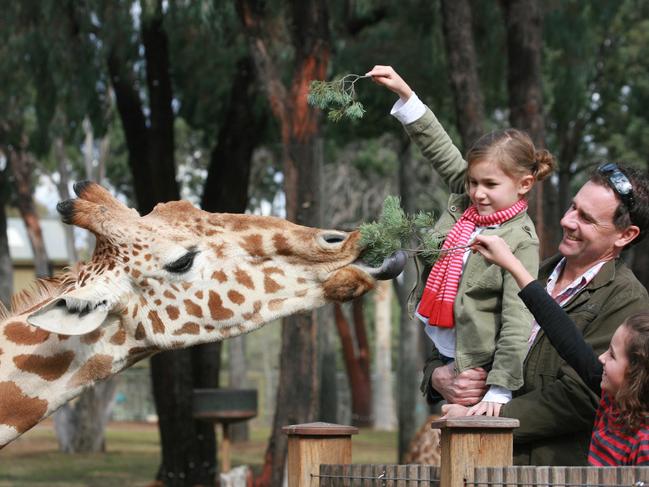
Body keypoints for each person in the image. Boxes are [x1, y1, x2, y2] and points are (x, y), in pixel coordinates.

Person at [425, 155, 649, 464]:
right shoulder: (531, 272)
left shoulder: (628, 301)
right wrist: (436, 375)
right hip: (479, 460)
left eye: (586, 218)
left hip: (548, 472)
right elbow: (462, 328)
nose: (567, 221)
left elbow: (584, 395)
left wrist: (486, 420)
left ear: (626, 234)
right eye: (573, 207)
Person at [367, 65, 556, 416]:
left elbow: (518, 319)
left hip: (482, 367)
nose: (478, 193)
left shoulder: (521, 241)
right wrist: (406, 95)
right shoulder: (467, 202)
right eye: (472, 182)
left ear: (524, 184)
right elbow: (437, 146)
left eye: (490, 185)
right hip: (444, 350)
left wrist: (499, 391)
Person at [468, 233, 649, 465]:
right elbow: (564, 335)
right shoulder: (611, 399)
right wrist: (512, 264)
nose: (601, 358)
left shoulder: (643, 442)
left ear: (635, 374)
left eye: (612, 355)